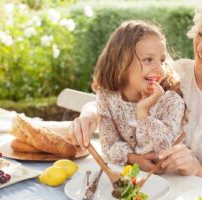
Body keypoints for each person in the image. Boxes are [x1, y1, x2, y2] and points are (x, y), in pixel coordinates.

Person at [72, 0, 202, 185]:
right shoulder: (176, 72)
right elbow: (121, 95)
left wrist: (195, 168)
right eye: (201, 33)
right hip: (167, 188)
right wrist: (90, 113)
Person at [74, 20, 186, 171]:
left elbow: (163, 148)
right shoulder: (107, 97)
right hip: (130, 177)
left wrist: (144, 114)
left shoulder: (171, 102)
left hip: (174, 182)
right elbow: (109, 145)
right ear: (121, 62)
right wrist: (133, 159)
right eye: (148, 60)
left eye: (162, 60)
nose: (160, 69)